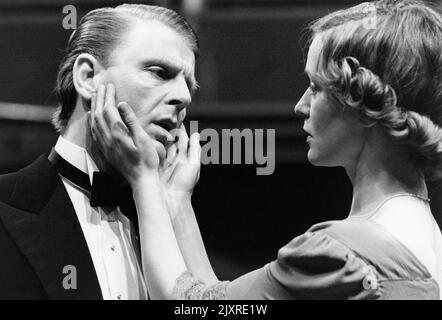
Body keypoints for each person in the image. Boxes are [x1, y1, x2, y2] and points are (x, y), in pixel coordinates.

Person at [91, 0, 442, 300]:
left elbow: (189, 303)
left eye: (316, 87)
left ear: (363, 104)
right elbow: (222, 300)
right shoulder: (423, 234)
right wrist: (175, 200)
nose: (301, 106)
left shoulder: (343, 251)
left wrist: (144, 178)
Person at [0, 4, 198, 299]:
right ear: (88, 77)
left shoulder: (173, 236)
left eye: (189, 85)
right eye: (159, 72)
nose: (183, 96)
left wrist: (173, 203)